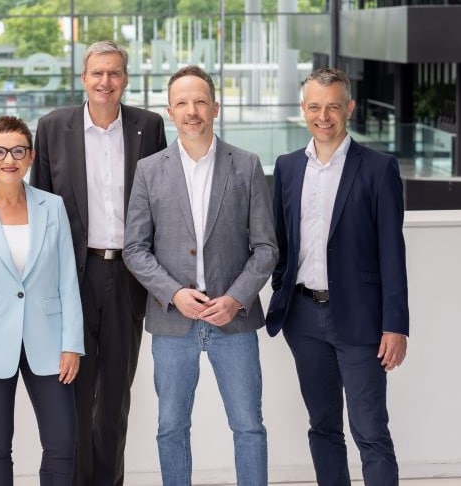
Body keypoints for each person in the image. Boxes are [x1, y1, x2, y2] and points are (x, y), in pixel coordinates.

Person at [123, 65, 278, 486]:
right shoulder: (150, 170)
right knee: (171, 427)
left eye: (200, 101)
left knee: (249, 425)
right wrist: (174, 294)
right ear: (170, 111)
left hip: (235, 319)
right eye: (182, 103)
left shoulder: (246, 165)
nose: (192, 111)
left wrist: (236, 299)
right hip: (174, 322)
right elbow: (135, 248)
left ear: (215, 107)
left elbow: (266, 247)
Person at [30, 40, 167, 486]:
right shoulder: (53, 128)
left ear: (124, 79)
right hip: (73, 276)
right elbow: (41, 210)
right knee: (72, 395)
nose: (105, 82)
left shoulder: (149, 126)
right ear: (83, 79)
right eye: (97, 73)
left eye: (114, 73)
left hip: (129, 276)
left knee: (113, 400)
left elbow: (163, 206)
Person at [266, 67, 409, 486]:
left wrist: (394, 325)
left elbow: (392, 251)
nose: (323, 116)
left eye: (332, 106)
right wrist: (282, 291)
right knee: (323, 427)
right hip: (304, 319)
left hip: (362, 321)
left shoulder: (379, 168)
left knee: (370, 432)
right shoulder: (288, 167)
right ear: (303, 109)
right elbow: (280, 241)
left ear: (349, 108)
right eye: (314, 106)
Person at [0, 115, 85, 485]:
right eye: (0, 151)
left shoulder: (52, 207)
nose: (9, 159)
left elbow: (68, 280)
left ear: (31, 156)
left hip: (50, 340)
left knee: (62, 440)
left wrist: (73, 344)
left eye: (18, 151)